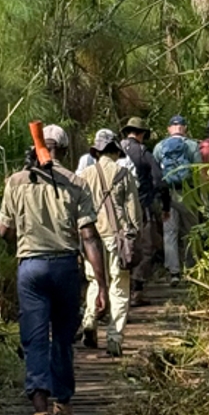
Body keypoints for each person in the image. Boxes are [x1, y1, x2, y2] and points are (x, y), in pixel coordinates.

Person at [0, 124, 110, 415]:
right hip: (64, 267)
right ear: (62, 148)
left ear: (37, 147)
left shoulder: (17, 181)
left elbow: (3, 228)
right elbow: (89, 236)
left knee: (35, 341)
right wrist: (100, 284)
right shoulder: (76, 183)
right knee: (62, 338)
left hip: (30, 268)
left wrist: (21, 232)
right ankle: (64, 408)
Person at [78, 129, 140, 356]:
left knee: (95, 281)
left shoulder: (84, 175)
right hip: (118, 237)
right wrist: (134, 237)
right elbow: (134, 213)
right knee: (119, 288)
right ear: (115, 151)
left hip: (90, 238)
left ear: (97, 152)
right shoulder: (124, 174)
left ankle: (90, 321)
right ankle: (114, 338)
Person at [119, 117, 164, 306]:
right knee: (144, 248)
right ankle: (136, 291)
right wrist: (160, 201)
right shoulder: (143, 152)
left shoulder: (116, 148)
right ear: (142, 133)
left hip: (116, 210)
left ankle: (121, 291)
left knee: (121, 247)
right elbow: (158, 179)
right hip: (140, 206)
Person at [153, 114, 201, 285]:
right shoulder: (192, 145)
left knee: (170, 233)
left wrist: (160, 199)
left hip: (168, 195)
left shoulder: (159, 147)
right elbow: (198, 170)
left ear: (169, 129)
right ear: (185, 128)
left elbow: (157, 175)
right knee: (191, 231)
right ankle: (191, 269)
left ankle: (174, 272)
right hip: (189, 194)